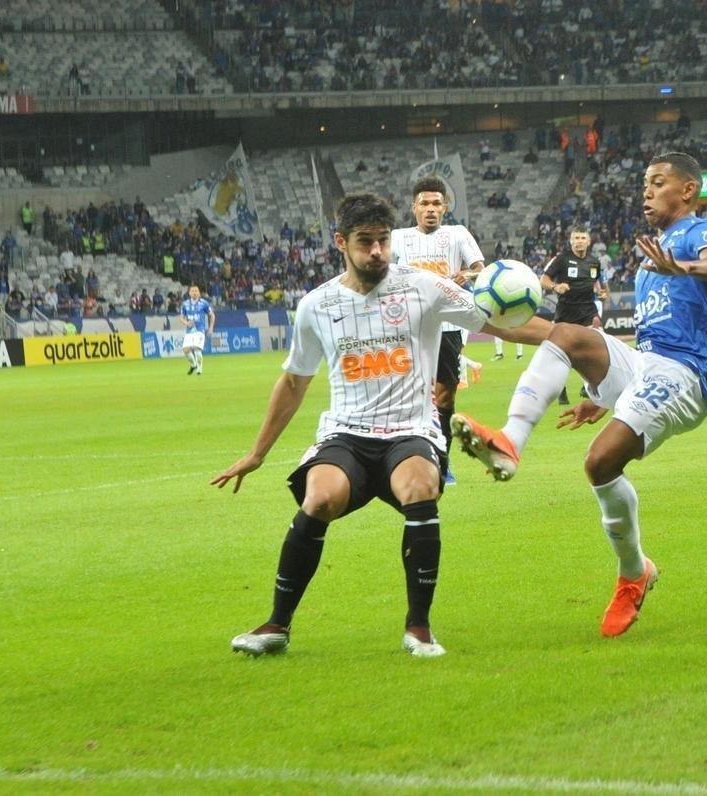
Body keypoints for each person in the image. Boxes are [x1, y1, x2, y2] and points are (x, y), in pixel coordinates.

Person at [212, 193, 546, 658]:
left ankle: (419, 628)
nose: (377, 252)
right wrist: (257, 453)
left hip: (411, 430)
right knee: (320, 498)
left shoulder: (424, 287)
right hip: (346, 433)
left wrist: (576, 341)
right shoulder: (316, 305)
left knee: (420, 486)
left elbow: (496, 321)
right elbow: (293, 382)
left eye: (383, 241)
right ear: (341, 242)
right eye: (365, 242)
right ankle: (276, 625)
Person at [451, 152, 707, 638]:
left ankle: (633, 573)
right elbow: (650, 340)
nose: (646, 192)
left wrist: (683, 268)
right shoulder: (651, 259)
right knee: (566, 334)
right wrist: (605, 395)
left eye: (658, 183)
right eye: (644, 184)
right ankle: (511, 440)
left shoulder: (700, 233)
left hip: (687, 374)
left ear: (688, 190)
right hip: (647, 363)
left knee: (600, 462)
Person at [391, 176, 485, 485]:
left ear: (445, 207)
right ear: (414, 207)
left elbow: (481, 271)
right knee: (408, 395)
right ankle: (406, 460)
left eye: (436, 203)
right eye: (424, 204)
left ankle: (442, 464)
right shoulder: (398, 238)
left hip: (448, 326)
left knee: (445, 395)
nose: (430, 209)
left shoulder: (457, 234)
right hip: (408, 326)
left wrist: (467, 275)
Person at [541, 223, 609, 405]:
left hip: (588, 311)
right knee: (560, 354)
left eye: (582, 238)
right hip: (566, 311)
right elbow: (543, 279)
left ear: (588, 241)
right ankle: (560, 389)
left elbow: (599, 284)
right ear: (571, 241)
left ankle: (589, 385)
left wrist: (602, 293)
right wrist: (555, 286)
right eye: (576, 238)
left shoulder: (594, 262)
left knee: (599, 346)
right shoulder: (561, 259)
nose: (579, 241)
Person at [179, 284, 215, 374]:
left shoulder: (204, 303)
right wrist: (186, 323)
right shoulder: (185, 304)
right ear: (189, 293)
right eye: (192, 291)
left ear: (199, 293)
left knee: (196, 348)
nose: (194, 293)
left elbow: (212, 315)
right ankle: (193, 365)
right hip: (189, 331)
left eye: (196, 291)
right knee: (186, 350)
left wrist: (211, 327)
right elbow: (181, 317)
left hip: (200, 330)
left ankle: (199, 368)